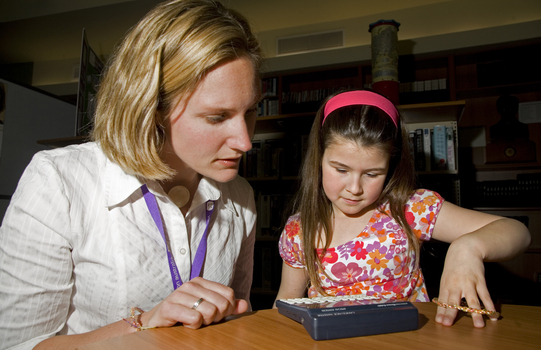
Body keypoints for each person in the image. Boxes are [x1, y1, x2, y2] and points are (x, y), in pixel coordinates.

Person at [0, 0, 262, 349]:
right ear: (150, 109)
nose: (245, 141)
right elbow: (18, 344)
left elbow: (234, 320)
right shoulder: (58, 182)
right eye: (217, 117)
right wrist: (144, 323)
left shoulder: (241, 196)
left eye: (252, 111)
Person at [274, 89, 531, 328]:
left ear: (391, 166)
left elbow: (518, 231)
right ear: (319, 157)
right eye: (340, 170)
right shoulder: (300, 228)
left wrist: (469, 247)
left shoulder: (410, 209)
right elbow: (286, 304)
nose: (354, 187)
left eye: (372, 173)